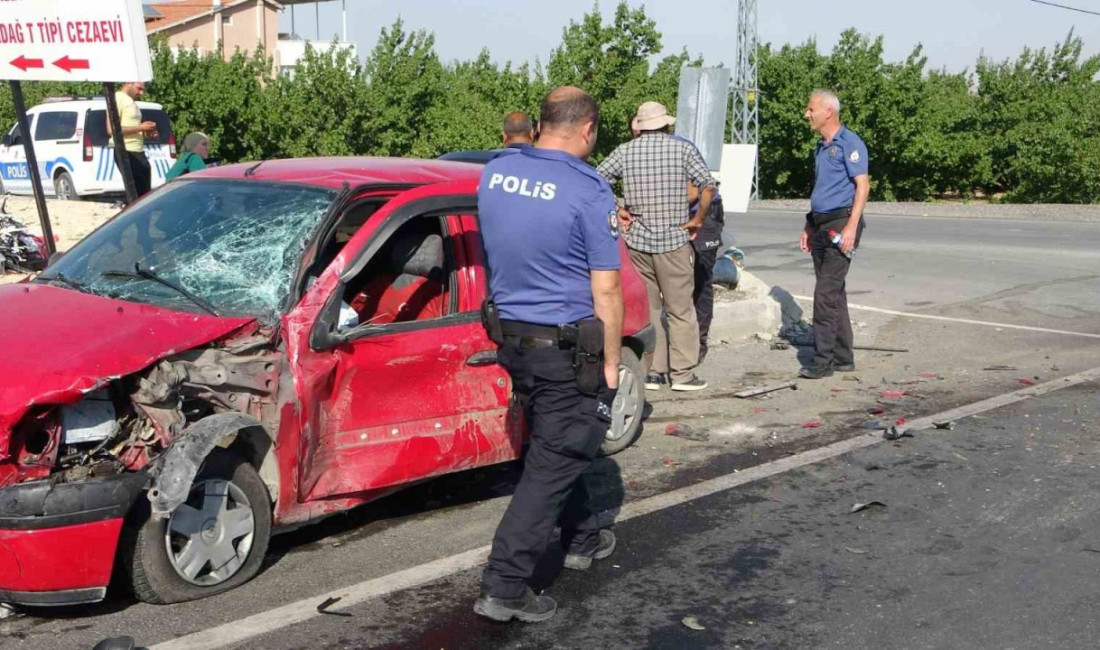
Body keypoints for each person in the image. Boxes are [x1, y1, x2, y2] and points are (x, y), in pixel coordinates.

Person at [474, 86, 624, 623]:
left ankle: (583, 536)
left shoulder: (496, 172)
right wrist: (610, 363)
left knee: (566, 442)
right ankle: (505, 584)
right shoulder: (588, 189)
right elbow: (607, 288)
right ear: (587, 130)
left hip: (513, 341)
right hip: (566, 347)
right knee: (553, 461)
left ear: (540, 125)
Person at [598, 101, 716, 392]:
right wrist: (698, 219)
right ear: (666, 124)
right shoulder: (682, 149)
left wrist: (620, 206)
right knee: (680, 310)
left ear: (641, 125)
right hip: (674, 240)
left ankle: (653, 371)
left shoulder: (625, 151)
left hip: (637, 240)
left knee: (650, 309)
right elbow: (708, 185)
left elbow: (596, 180)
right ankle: (683, 374)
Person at [798, 89, 870, 379]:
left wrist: (851, 226)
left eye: (811, 108)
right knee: (834, 294)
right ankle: (843, 357)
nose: (807, 114)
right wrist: (808, 224)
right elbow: (820, 191)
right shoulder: (820, 146)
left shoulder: (850, 143)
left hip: (842, 223)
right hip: (821, 223)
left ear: (828, 111)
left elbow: (862, 186)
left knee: (824, 294)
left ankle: (822, 361)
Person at [106, 82, 157, 197]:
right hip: (126, 150)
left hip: (137, 150)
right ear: (129, 83)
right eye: (139, 88)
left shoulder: (131, 101)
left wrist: (147, 131)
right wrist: (141, 127)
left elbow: (131, 128)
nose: (141, 92)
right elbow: (112, 129)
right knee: (137, 194)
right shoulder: (118, 97)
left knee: (145, 192)